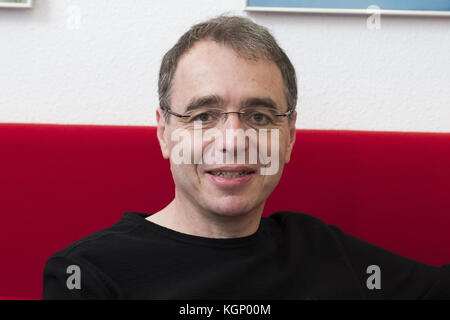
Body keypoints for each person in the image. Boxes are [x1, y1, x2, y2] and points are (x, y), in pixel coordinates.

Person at [42, 15, 450, 300]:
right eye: (204, 116)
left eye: (259, 116)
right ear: (164, 133)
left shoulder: (320, 249)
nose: (234, 140)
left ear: (289, 137)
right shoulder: (87, 274)